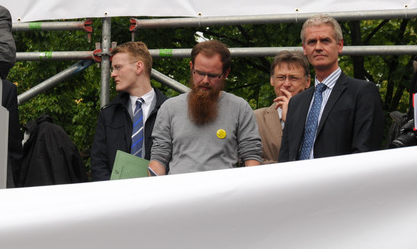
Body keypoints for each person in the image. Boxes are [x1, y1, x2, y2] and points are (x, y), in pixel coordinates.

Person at [148, 40, 262, 175]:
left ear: (226, 73)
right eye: (200, 73)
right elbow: (159, 157)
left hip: (224, 187)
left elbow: (251, 157)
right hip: (179, 187)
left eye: (213, 75)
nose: (205, 80)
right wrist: (155, 182)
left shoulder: (240, 108)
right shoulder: (169, 108)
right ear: (191, 67)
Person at [279, 14, 383, 161]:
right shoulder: (296, 102)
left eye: (325, 41)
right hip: (298, 176)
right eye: (312, 42)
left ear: (339, 45)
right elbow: (285, 158)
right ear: (304, 49)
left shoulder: (362, 93)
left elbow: (365, 153)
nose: (318, 47)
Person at [90, 41, 168, 181]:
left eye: (118, 67)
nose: (113, 74)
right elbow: (98, 163)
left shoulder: (170, 111)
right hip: (117, 193)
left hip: (160, 192)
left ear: (138, 67)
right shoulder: (108, 114)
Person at [254, 50, 311, 164]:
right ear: (272, 80)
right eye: (281, 77)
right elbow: (248, 160)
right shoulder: (255, 118)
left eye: (293, 78)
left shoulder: (317, 115)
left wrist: (292, 119)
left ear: (307, 82)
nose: (286, 84)